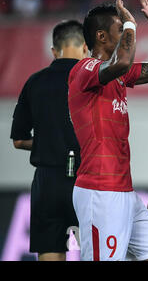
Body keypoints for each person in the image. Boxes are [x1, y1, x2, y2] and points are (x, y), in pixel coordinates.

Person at [68, 0, 148, 261]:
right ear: (101, 36)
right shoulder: (84, 70)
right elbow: (123, 61)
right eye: (120, 28)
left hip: (125, 192)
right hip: (99, 192)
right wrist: (131, 24)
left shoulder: (119, 76)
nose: (127, 32)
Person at [10, 19, 88, 261]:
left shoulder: (35, 82)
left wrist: (47, 141)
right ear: (85, 47)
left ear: (54, 51)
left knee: (50, 252)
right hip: (87, 179)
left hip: (47, 182)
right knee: (100, 250)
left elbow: (19, 141)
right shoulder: (93, 80)